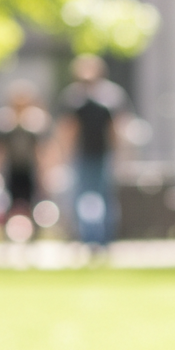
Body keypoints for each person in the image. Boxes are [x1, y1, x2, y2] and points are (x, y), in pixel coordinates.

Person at [56, 55, 132, 245]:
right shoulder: (75, 99)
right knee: (89, 198)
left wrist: (120, 155)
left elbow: (115, 130)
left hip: (101, 155)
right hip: (83, 156)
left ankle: (98, 239)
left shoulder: (107, 97)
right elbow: (69, 130)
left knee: (98, 198)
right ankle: (92, 239)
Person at [0, 80, 50, 221]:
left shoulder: (36, 119)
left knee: (33, 200)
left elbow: (42, 146)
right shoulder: (4, 119)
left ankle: (34, 231)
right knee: (8, 201)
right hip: (11, 167)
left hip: (30, 167)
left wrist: (44, 168)